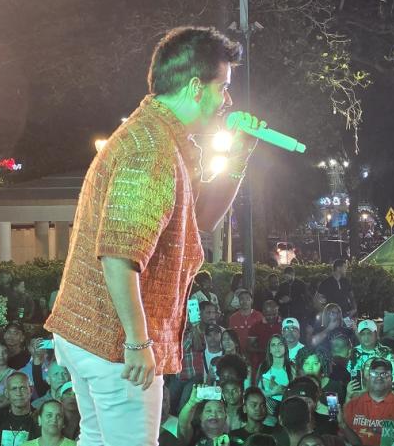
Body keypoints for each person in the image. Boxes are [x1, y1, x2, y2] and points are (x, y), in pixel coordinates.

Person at [44, 26, 253, 446]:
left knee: (97, 439)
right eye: (223, 87)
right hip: (115, 344)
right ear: (196, 87)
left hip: (89, 334)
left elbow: (201, 219)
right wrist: (138, 343)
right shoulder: (151, 150)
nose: (227, 100)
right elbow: (119, 256)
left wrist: (239, 156)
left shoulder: (161, 139)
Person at [342, 358, 394, 446]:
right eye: (374, 373)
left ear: (391, 378)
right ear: (368, 377)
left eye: (384, 374)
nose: (379, 377)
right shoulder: (352, 404)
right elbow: (344, 437)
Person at [0, 372, 39, 446]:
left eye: (23, 388)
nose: (18, 393)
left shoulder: (40, 419)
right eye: (14, 389)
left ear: (31, 391)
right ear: (7, 393)